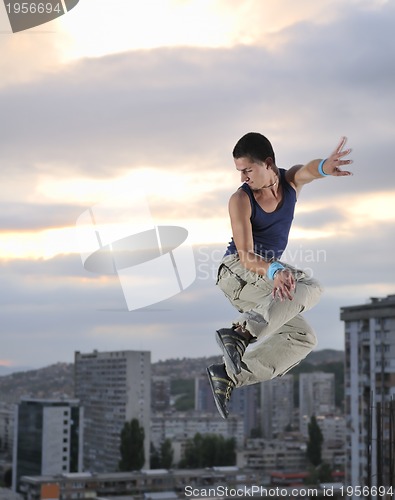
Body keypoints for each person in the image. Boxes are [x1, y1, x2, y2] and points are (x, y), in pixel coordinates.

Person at [207, 133, 353, 419]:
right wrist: (275, 270)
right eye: (239, 172)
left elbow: (308, 170)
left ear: (268, 163)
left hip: (265, 274)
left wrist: (325, 166)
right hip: (238, 271)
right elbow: (246, 255)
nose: (243, 178)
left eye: (247, 170)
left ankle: (228, 376)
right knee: (311, 286)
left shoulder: (290, 182)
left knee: (303, 337)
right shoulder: (241, 199)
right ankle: (242, 333)